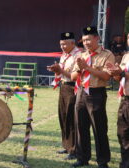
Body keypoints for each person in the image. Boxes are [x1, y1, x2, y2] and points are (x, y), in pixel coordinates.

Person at [70, 26, 115, 168]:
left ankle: (102, 161)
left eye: (89, 39)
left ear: (97, 38)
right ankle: (82, 158)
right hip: (82, 92)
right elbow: (72, 76)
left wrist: (87, 68)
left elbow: (107, 76)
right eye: (84, 40)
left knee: (99, 128)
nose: (86, 43)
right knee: (81, 127)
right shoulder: (81, 55)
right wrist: (79, 69)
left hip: (97, 93)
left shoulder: (107, 55)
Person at [47, 32, 80, 160]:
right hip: (64, 86)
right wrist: (56, 70)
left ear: (73, 43)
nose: (63, 46)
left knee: (72, 118)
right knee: (63, 116)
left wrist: (60, 70)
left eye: (65, 44)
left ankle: (74, 149)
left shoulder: (78, 55)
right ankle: (66, 146)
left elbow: (73, 75)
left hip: (73, 87)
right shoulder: (64, 55)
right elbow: (62, 73)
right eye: (61, 44)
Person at [107, 33, 129, 168]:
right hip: (125, 99)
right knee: (123, 133)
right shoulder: (126, 56)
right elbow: (119, 78)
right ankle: (125, 163)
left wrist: (120, 73)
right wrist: (115, 72)